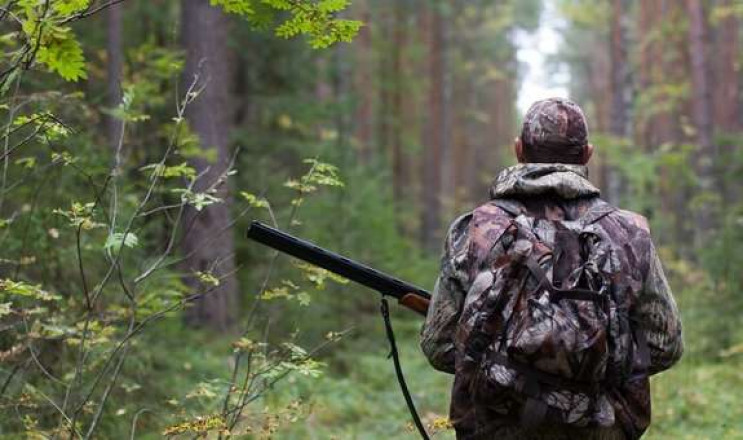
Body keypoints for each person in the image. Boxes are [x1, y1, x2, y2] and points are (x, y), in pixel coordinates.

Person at [420, 98, 683, 440]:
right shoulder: (629, 232)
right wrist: (595, 372)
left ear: (518, 150)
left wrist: (507, 373)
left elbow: (439, 346)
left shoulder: (475, 229)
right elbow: (665, 345)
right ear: (587, 154)